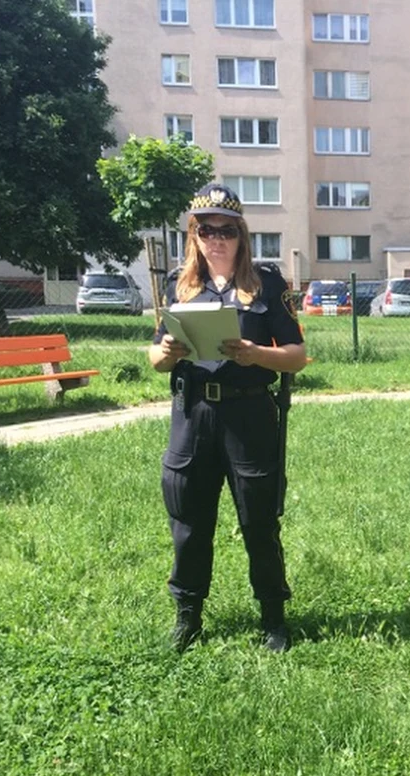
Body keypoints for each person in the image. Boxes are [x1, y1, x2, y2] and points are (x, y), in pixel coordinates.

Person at [149, 182, 307, 653]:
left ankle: (273, 618)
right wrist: (166, 351)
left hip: (249, 414)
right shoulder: (182, 284)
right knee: (189, 521)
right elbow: (156, 358)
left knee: (259, 520)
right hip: (193, 414)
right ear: (194, 236)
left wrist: (257, 354)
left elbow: (296, 356)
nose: (216, 238)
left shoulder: (267, 284)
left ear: (241, 235)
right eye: (205, 229)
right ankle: (188, 616)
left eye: (226, 230)